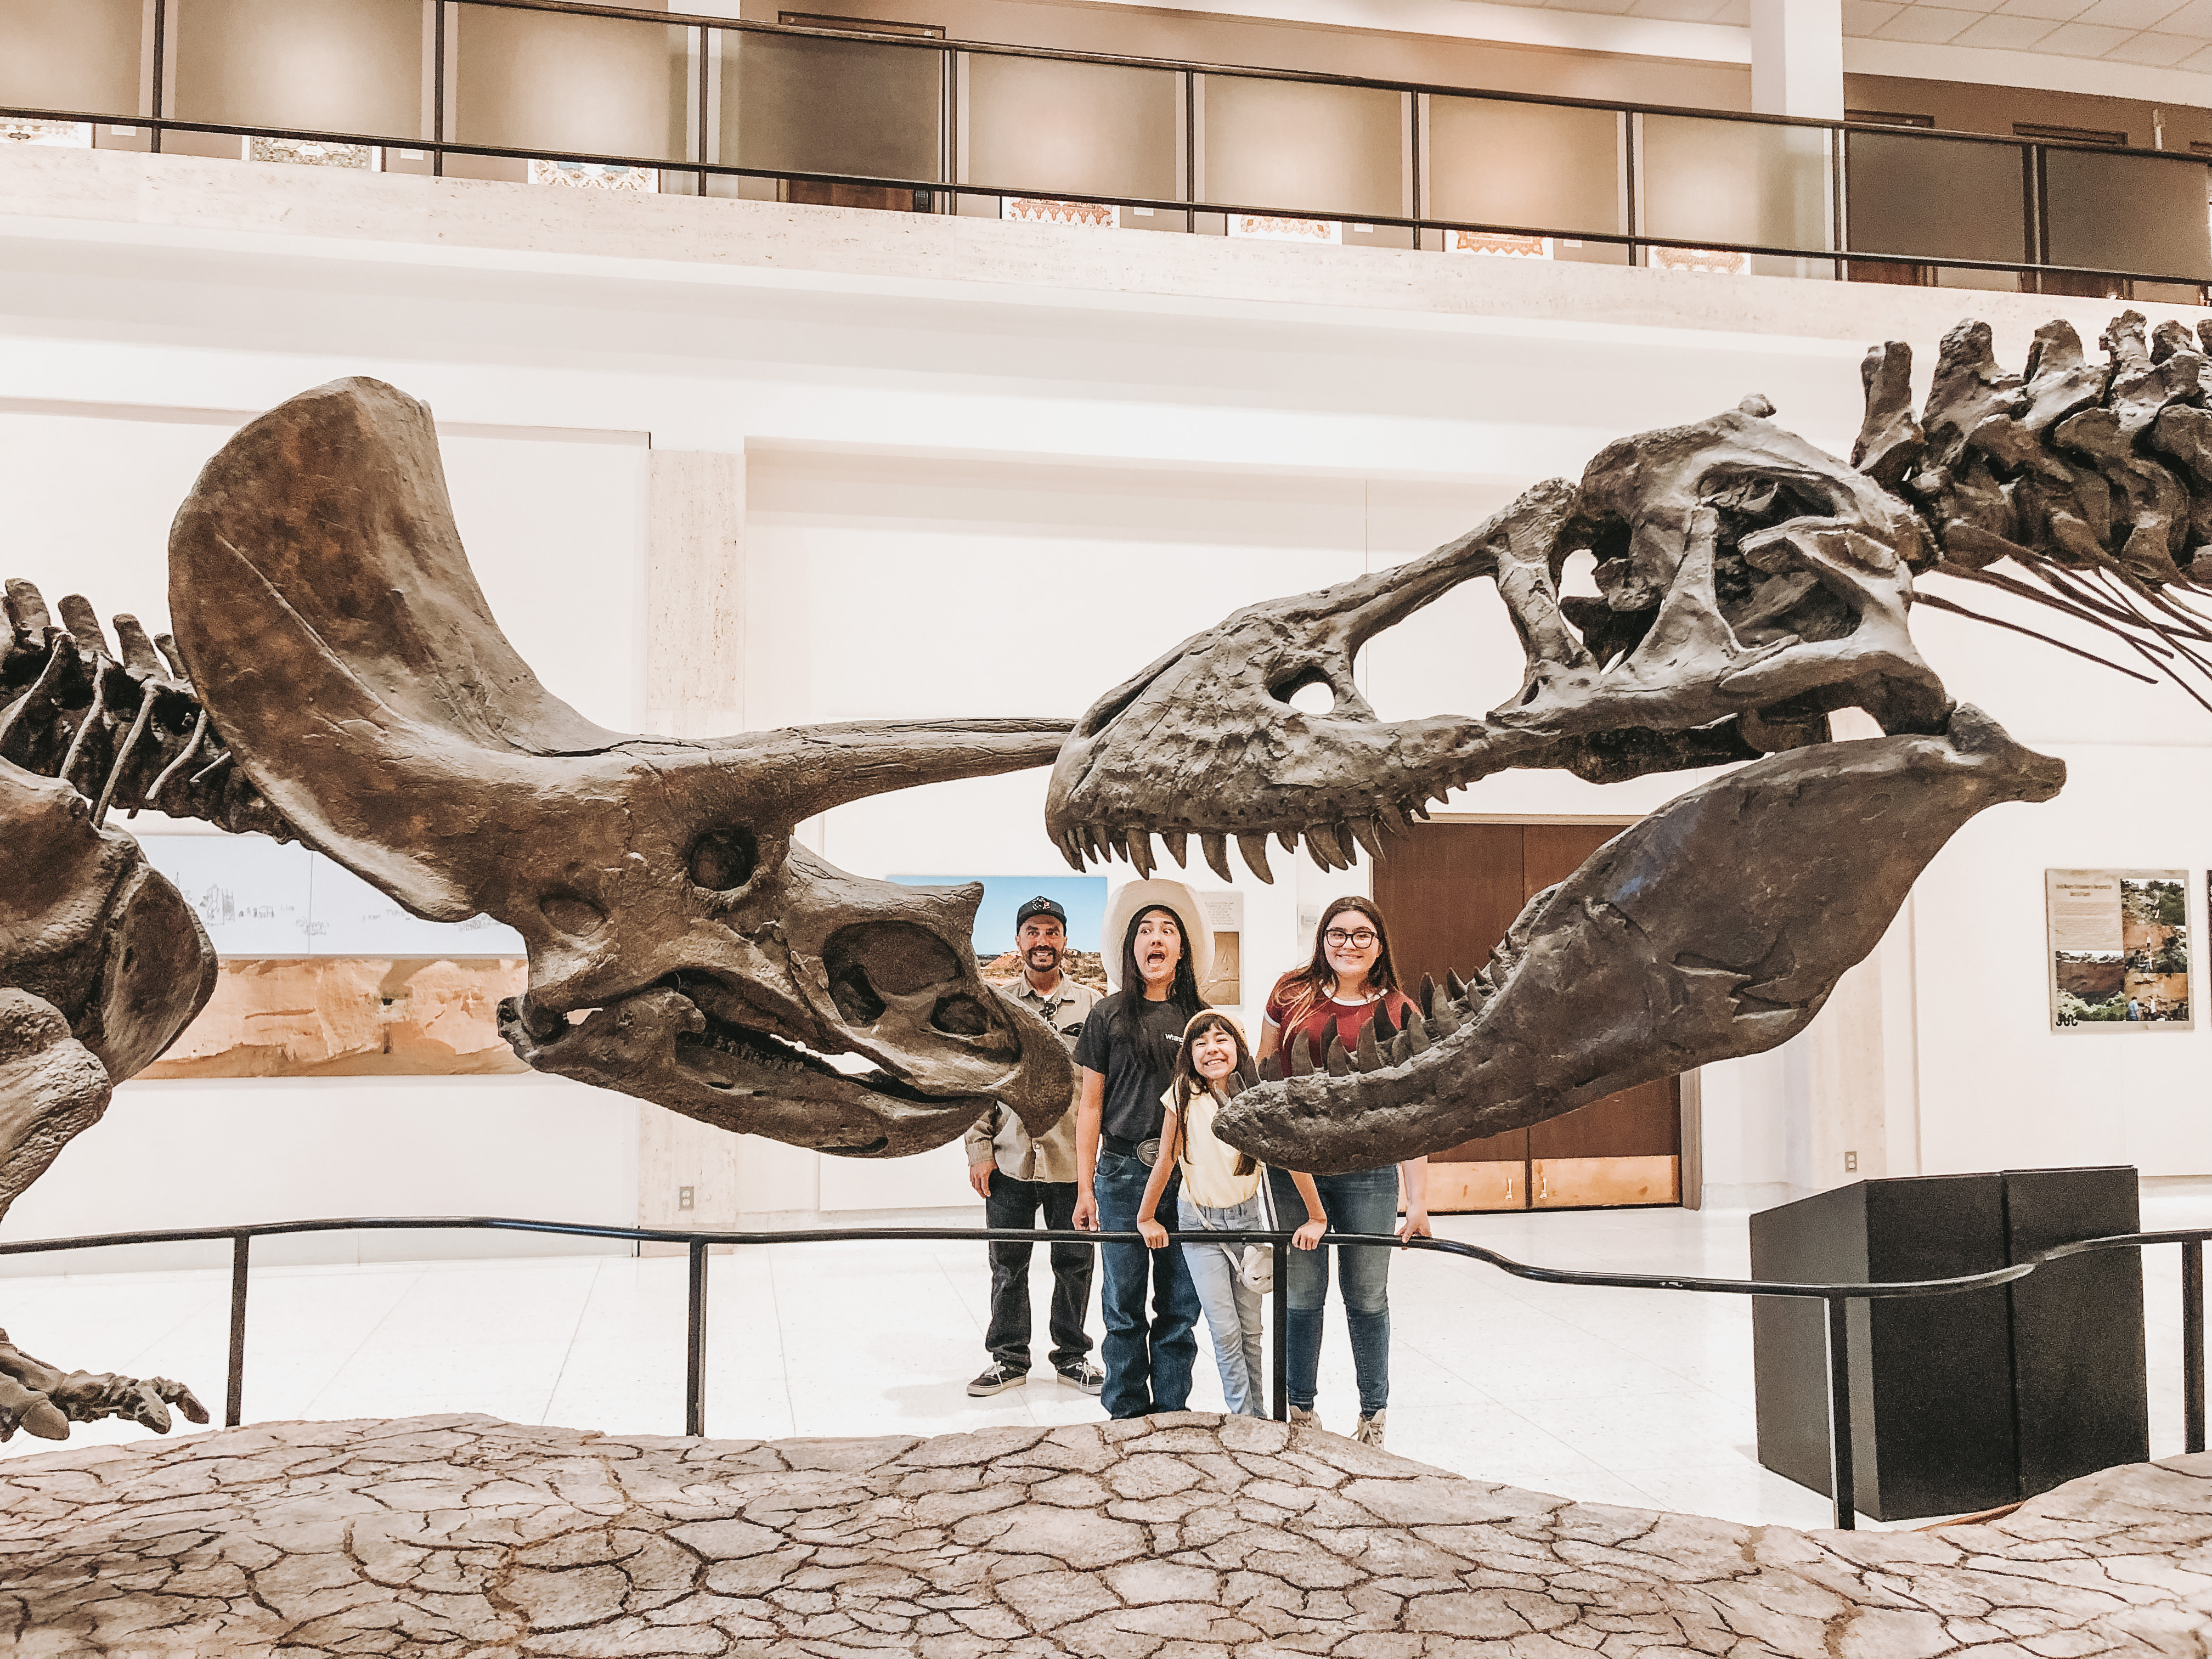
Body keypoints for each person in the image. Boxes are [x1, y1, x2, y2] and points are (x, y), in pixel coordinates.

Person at [1257, 895, 1432, 1448]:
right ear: (1323, 939)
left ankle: (1373, 1417)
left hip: (1369, 1169)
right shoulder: (1291, 992)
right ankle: (1301, 1413)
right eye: (1337, 933)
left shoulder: (1402, 1012)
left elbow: (1413, 1114)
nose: (1348, 944)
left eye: (1361, 935)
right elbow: (1265, 1076)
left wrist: (1418, 1200)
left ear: (1379, 943)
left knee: (1367, 1296)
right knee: (1302, 1295)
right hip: (1295, 1169)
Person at [1135, 1010, 1324, 1417]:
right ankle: (1244, 1419)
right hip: (1199, 1225)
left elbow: (1289, 1157)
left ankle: (1260, 1419)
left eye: (1221, 1039)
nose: (1212, 1049)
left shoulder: (1256, 1097)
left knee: (1252, 1331)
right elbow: (1166, 1159)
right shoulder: (1182, 1093)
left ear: (1239, 1047)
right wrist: (1146, 1216)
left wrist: (1317, 1215)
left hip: (1250, 1224)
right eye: (1200, 1043)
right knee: (1224, 1332)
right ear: (1189, 1054)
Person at [1073, 881, 1209, 1419]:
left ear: (1182, 949)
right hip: (1123, 1173)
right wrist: (1085, 1188)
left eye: (1167, 931)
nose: (1156, 939)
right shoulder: (1106, 1016)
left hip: (1188, 1178)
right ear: (1131, 948)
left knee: (1179, 1309)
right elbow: (1089, 1107)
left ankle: (1171, 1414)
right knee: (1122, 1309)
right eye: (1145, 931)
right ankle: (1126, 1419)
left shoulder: (1202, 1019)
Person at [964, 896, 1104, 1397]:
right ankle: (1008, 1358)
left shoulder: (1092, 1006)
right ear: (1019, 941)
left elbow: (1101, 1087)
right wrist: (979, 1150)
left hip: (1073, 1162)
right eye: (1033, 932)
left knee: (1075, 1261)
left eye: (1052, 932)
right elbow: (982, 1081)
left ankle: (1072, 1357)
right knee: (1007, 1264)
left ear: (1064, 940)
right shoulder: (995, 1004)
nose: (1042, 941)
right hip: (1009, 1159)